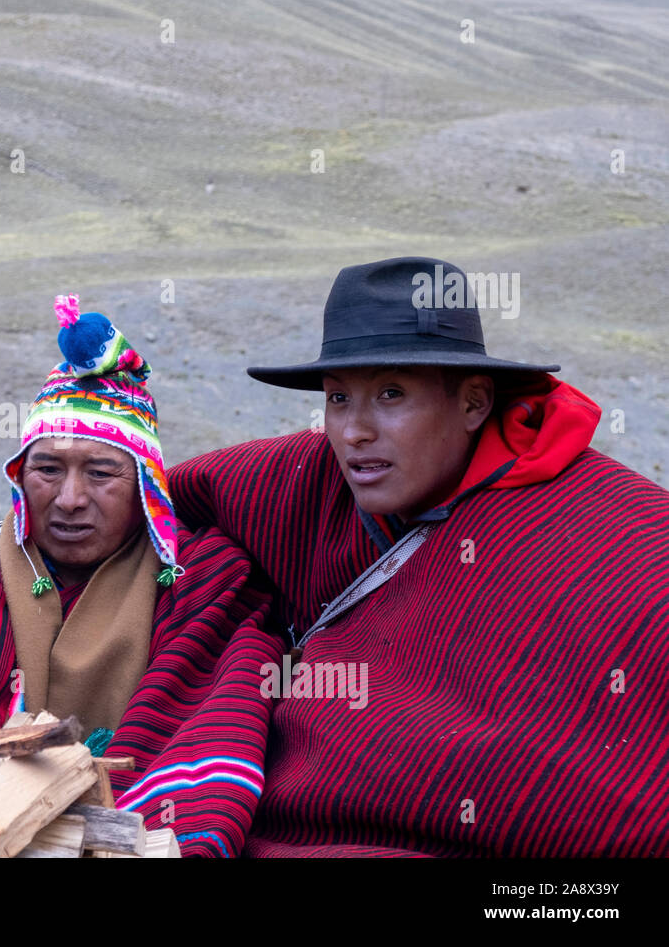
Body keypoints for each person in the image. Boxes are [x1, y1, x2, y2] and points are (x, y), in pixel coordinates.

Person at [165, 256, 669, 856]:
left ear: (475, 403)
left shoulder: (608, 533)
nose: (354, 431)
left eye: (391, 393)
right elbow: (154, 502)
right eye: (337, 398)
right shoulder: (316, 475)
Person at [0, 295, 283, 855]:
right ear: (20, 474)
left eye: (101, 472)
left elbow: (211, 736)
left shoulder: (203, 583)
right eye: (47, 468)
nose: (70, 499)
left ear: (145, 484)